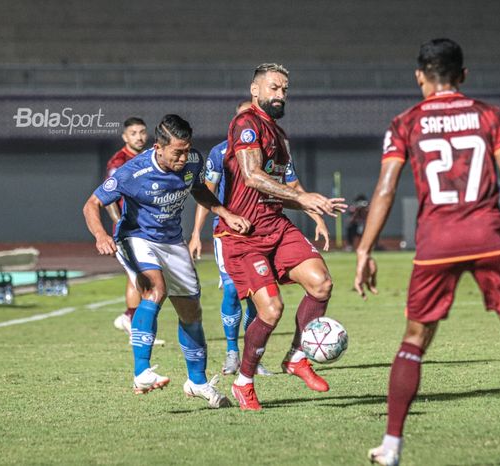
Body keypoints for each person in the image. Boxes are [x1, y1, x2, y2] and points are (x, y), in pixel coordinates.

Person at [354, 39, 500, 466]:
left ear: (420, 77)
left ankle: (391, 447)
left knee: (414, 340)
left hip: (436, 243)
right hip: (489, 235)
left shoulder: (405, 122)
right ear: (463, 75)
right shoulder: (490, 115)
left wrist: (365, 249)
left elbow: (386, 189)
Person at [83, 114, 251, 408]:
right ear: (159, 147)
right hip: (136, 237)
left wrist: (225, 213)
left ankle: (196, 383)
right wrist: (100, 235)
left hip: (172, 241)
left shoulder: (193, 161)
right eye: (177, 152)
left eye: (187, 150)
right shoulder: (131, 173)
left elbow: (199, 189)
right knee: (155, 290)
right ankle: (141, 372)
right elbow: (92, 204)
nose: (184, 157)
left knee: (191, 312)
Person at [214, 63, 347, 411]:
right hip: (243, 235)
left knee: (321, 283)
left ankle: (297, 356)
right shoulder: (246, 124)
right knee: (271, 310)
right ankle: (244, 382)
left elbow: (282, 189)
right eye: (274, 88)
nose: (280, 95)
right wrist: (302, 199)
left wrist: (311, 207)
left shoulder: (281, 136)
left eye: (285, 90)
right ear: (255, 90)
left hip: (276, 225)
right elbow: (252, 174)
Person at [189, 101, 332, 376]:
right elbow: (204, 192)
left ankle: (261, 356)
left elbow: (291, 187)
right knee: (233, 290)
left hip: (271, 226)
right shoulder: (221, 152)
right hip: (231, 231)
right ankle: (233, 353)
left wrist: (317, 215)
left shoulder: (277, 148)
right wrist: (196, 233)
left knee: (266, 302)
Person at [105, 116, 165, 346]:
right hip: (130, 230)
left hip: (149, 227)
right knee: (141, 278)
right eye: (133, 133)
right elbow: (109, 198)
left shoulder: (151, 155)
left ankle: (128, 319)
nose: (139, 137)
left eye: (142, 132)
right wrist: (120, 224)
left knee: (138, 276)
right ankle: (134, 325)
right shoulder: (118, 162)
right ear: (125, 137)